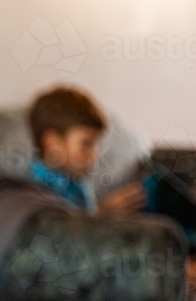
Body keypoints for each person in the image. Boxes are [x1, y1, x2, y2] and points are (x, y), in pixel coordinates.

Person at [27, 85, 147, 215]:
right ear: (52, 142)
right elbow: (60, 232)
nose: (95, 154)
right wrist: (102, 213)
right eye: (86, 144)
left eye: (96, 144)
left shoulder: (77, 182)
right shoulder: (37, 190)